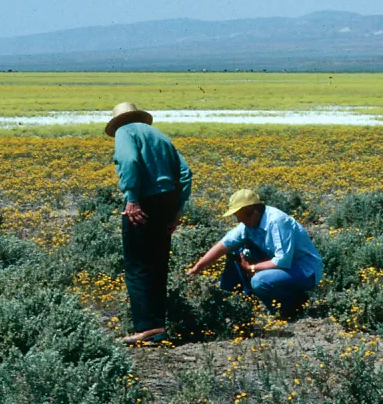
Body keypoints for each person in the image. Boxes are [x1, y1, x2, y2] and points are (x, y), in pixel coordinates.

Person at [106, 102, 192, 344]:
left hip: (144, 201)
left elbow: (129, 161)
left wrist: (131, 198)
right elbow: (185, 173)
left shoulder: (125, 132)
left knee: (137, 265)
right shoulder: (159, 135)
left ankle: (147, 328)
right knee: (157, 264)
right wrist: (177, 210)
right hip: (167, 201)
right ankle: (157, 325)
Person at [186, 188, 321, 316]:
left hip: (305, 270)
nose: (239, 221)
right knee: (235, 252)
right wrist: (198, 267)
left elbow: (282, 260)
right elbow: (224, 244)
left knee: (260, 280)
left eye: (241, 216)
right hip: (284, 266)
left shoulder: (277, 221)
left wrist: (251, 268)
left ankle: (293, 304)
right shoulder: (250, 222)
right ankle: (234, 299)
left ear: (253, 212)